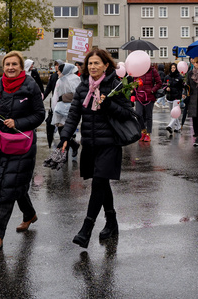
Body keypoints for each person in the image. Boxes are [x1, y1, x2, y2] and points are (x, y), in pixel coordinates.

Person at [59, 48, 134, 248]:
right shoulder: (83, 87)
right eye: (89, 63)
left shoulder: (115, 86)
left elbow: (128, 113)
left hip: (110, 143)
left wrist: (108, 104)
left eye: (96, 63)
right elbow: (74, 113)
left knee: (99, 183)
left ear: (106, 65)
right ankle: (112, 222)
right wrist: (65, 136)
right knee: (102, 184)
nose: (92, 67)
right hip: (90, 144)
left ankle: (87, 228)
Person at [0, 51, 45, 249]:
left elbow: (40, 115)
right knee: (12, 184)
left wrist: (19, 122)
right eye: (7, 64)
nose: (11, 67)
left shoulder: (31, 87)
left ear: (22, 67)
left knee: (7, 187)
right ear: (3, 67)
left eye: (15, 64)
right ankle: (30, 214)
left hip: (22, 144)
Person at [49, 63, 80, 157]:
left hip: (61, 110)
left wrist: (53, 108)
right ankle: (70, 149)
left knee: (62, 132)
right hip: (73, 109)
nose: (57, 73)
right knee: (68, 132)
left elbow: (55, 96)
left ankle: (67, 152)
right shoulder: (77, 78)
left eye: (59, 71)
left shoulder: (60, 81)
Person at [133, 62, 162, 143]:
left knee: (149, 116)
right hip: (139, 96)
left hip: (150, 96)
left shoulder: (153, 71)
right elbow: (134, 82)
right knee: (138, 114)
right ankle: (143, 130)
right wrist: (134, 86)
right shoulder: (137, 71)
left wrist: (153, 90)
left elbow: (159, 83)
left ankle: (148, 134)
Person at [164, 62, 185, 134]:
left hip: (177, 97)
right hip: (169, 97)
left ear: (177, 68)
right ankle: (178, 126)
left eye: (174, 68)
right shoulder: (167, 77)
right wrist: (166, 88)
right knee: (171, 113)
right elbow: (164, 86)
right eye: (172, 68)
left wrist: (183, 93)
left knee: (174, 113)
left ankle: (170, 126)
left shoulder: (180, 77)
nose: (173, 69)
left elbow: (183, 86)